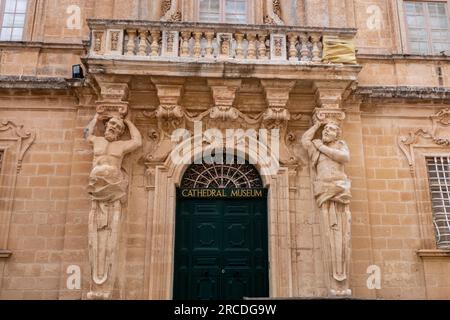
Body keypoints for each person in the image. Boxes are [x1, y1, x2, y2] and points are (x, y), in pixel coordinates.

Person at [84, 114, 142, 299]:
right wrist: (96, 117)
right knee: (98, 231)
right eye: (111, 124)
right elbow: (86, 133)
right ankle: (100, 284)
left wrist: (129, 121)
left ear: (121, 131)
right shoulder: (97, 140)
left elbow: (137, 141)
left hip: (113, 187)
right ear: (106, 124)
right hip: (97, 187)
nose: (113, 127)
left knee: (110, 226)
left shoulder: (121, 146)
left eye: (117, 126)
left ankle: (103, 284)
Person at [301, 120, 352, 296]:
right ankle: (335, 281)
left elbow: (344, 158)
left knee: (341, 232)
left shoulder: (339, 145)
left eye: (330, 129)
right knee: (329, 231)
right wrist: (316, 125)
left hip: (338, 188)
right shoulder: (315, 148)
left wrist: (322, 147)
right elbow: (305, 140)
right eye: (326, 129)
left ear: (337, 133)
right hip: (324, 190)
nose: (326, 131)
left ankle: (339, 282)